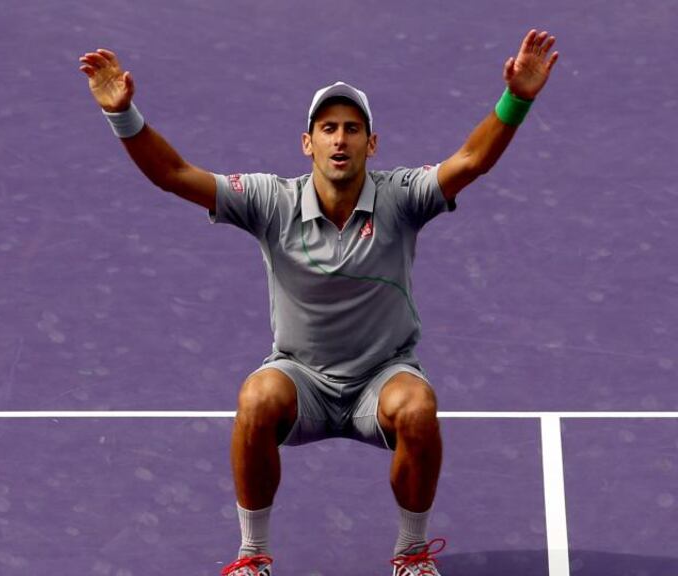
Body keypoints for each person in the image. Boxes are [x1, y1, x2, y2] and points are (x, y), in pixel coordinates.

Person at [79, 29, 558, 576]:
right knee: (255, 399)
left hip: (382, 377)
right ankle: (252, 555)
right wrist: (122, 114)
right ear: (307, 143)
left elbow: (471, 160)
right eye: (328, 129)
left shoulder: (402, 197)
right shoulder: (271, 201)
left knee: (419, 409)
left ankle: (411, 553)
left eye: (352, 129)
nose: (340, 139)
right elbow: (174, 175)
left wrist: (516, 98)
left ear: (371, 144)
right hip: (301, 377)